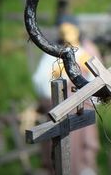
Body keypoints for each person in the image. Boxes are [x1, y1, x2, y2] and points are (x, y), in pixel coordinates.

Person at [32, 16, 100, 175]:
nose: (67, 33)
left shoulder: (88, 51)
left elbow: (99, 83)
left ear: (77, 30)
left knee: (83, 156)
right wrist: (56, 73)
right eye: (63, 30)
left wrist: (86, 72)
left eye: (70, 29)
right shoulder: (53, 53)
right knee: (59, 153)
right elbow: (40, 81)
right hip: (58, 108)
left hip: (81, 111)